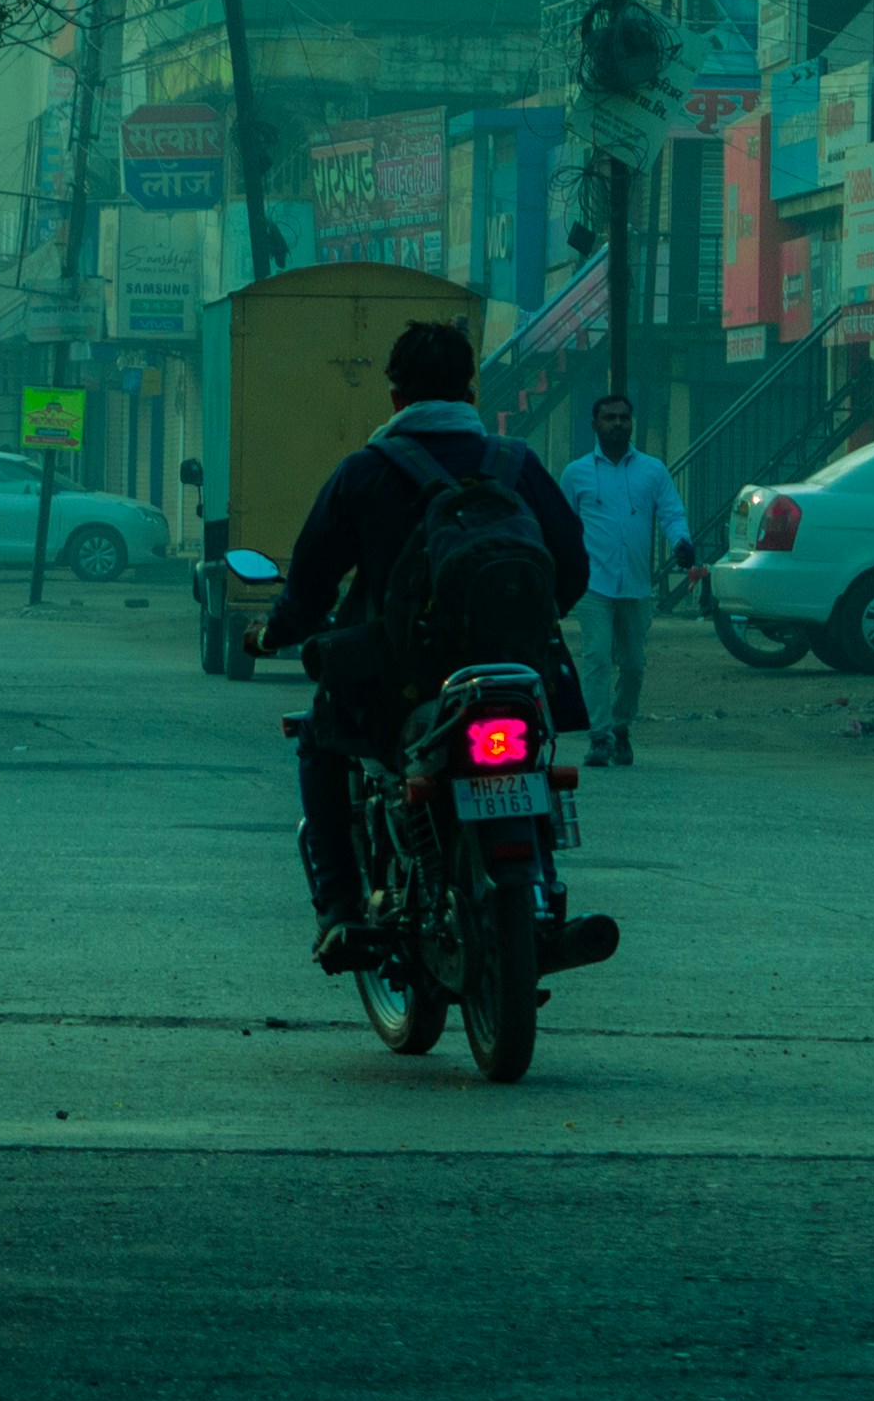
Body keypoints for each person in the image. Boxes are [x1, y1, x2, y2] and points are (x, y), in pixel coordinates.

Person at [258, 319, 598, 977]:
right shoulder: (515, 463)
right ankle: (545, 900)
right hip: (509, 677)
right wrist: (516, 628)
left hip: (398, 685)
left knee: (318, 748)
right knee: (530, 769)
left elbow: (306, 588)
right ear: (468, 390)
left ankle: (340, 911)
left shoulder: (363, 471)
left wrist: (272, 631)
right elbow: (572, 570)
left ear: (394, 397)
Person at [558, 393, 694, 768]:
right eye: (609, 418)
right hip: (593, 585)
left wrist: (682, 543)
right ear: (595, 424)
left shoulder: (653, 471)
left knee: (633, 665)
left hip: (636, 585)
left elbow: (672, 514)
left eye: (623, 418)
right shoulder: (576, 474)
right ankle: (599, 737)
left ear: (631, 423)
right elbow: (562, 527)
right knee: (597, 657)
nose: (617, 424)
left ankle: (621, 727)